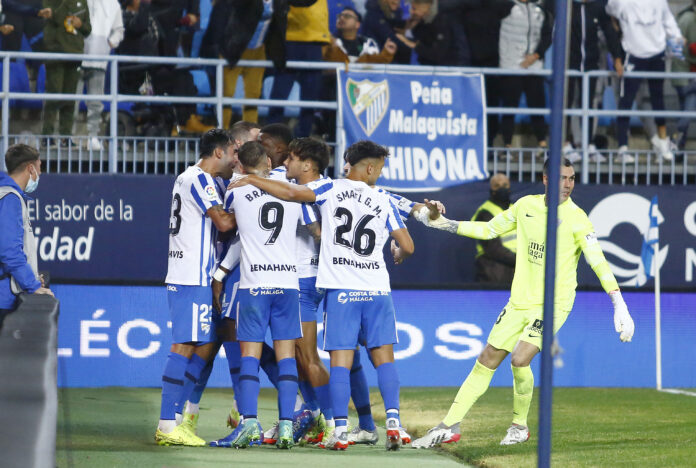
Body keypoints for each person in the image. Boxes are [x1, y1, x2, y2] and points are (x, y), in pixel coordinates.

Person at [412, 158, 635, 448]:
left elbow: (597, 260)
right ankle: (448, 425)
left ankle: (519, 426)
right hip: (519, 301)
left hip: (554, 303)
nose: (567, 184)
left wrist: (618, 301)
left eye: (571, 178)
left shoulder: (578, 218)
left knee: (520, 359)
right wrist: (442, 223)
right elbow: (488, 230)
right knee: (487, 359)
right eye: (562, 178)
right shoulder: (526, 206)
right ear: (545, 179)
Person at [229, 140, 415, 451]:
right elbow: (406, 243)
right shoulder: (381, 197)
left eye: (290, 157)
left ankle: (334, 425)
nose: (285, 161)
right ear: (371, 169)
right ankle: (383, 422)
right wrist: (410, 230)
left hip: (318, 283)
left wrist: (250, 178)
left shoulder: (326, 189)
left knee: (323, 358)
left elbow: (292, 196)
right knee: (370, 358)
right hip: (372, 286)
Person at [215, 140, 304, 449]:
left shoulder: (235, 190)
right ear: (268, 160)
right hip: (288, 285)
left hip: (255, 285)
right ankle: (287, 427)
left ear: (241, 164)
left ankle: (250, 423)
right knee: (286, 356)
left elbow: (229, 229)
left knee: (250, 357)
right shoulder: (291, 186)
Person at [155, 129, 238, 447]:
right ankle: (167, 423)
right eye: (232, 152)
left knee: (196, 346)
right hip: (192, 275)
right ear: (219, 152)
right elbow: (225, 223)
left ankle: (175, 420)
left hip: (191, 274)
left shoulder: (192, 178)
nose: (234, 158)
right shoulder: (200, 179)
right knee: (184, 346)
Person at [606, 0, 683, 162]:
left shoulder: (659, 2)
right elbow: (608, 11)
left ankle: (662, 143)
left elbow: (668, 21)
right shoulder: (622, 2)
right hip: (633, 54)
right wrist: (617, 29)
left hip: (657, 53)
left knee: (658, 99)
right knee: (626, 100)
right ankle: (622, 148)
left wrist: (677, 37)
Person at [200, 0, 290, 127]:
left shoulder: (279, 3)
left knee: (253, 95)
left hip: (258, 51)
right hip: (233, 48)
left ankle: (251, 135)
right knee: (226, 93)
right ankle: (222, 133)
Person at [0, 144, 54, 329]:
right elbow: (9, 251)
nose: (40, 173)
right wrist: (32, 285)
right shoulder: (10, 199)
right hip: (2, 298)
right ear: (30, 168)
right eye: (40, 166)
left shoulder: (6, 195)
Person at [563, 0, 623, 163]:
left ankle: (588, 144)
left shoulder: (597, 8)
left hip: (590, 64)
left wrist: (617, 58)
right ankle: (564, 144)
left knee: (588, 104)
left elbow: (609, 32)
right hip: (569, 63)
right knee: (566, 104)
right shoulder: (567, 6)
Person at [266, 0, 330, 137]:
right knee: (279, 94)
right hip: (290, 37)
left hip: (315, 40)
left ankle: (303, 140)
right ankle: (271, 138)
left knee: (310, 98)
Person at [498, 0, 552, 155]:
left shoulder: (539, 10)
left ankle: (542, 144)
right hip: (510, 66)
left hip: (533, 67)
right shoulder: (506, 6)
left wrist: (536, 56)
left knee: (537, 105)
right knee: (509, 106)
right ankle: (506, 146)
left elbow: (548, 35)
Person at [41, 0, 91, 149]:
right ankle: (47, 136)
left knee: (70, 99)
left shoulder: (82, 2)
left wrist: (80, 24)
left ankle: (65, 136)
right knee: (54, 94)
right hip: (56, 52)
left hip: (75, 54)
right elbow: (54, 16)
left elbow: (88, 29)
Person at [76, 0, 124, 151]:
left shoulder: (113, 4)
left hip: (99, 59)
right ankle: (67, 136)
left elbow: (119, 30)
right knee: (72, 101)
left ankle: (93, 136)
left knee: (95, 102)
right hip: (76, 57)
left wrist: (109, 44)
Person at [394, 0, 470, 66]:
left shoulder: (442, 21)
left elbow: (438, 55)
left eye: (414, 8)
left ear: (426, 8)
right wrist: (409, 29)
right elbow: (420, 36)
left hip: (452, 70)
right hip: (435, 68)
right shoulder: (426, 22)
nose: (411, 12)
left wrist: (414, 45)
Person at [471, 173, 516, 284]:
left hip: (517, 273)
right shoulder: (484, 213)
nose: (502, 188)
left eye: (505, 185)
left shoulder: (516, 209)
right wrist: (521, 260)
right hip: (493, 273)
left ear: (510, 187)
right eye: (497, 185)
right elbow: (493, 249)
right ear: (491, 189)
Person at [672, 0, 696, 150]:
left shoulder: (687, 16)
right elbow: (687, 48)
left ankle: (678, 144)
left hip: (687, 74)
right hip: (685, 74)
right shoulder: (688, 18)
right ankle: (676, 141)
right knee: (688, 110)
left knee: (686, 110)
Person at [362, 0, 411, 64]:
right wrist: (414, 46)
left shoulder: (395, 12)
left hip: (391, 56)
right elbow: (389, 38)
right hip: (375, 59)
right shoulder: (373, 14)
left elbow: (399, 26)